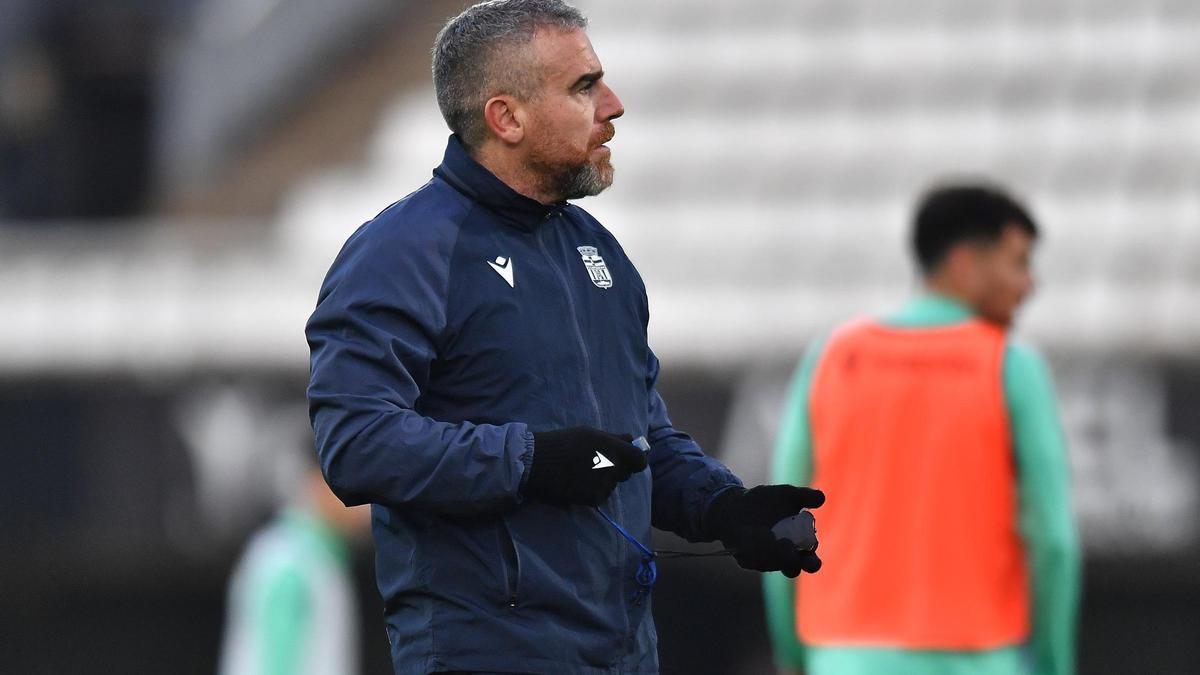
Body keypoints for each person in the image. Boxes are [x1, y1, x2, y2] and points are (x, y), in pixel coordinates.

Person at [304, 1, 823, 673]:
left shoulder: (600, 255)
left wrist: (727, 508)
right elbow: (356, 444)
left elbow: (638, 444)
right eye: (584, 87)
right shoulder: (404, 252)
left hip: (626, 653)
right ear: (506, 117)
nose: (613, 105)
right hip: (486, 653)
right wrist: (529, 459)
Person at [764, 184, 1081, 675]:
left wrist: (793, 653)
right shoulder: (1011, 365)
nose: (1029, 283)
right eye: (1018, 262)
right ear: (964, 263)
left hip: (843, 656)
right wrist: (1053, 664)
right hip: (981, 657)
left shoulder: (830, 357)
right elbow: (1053, 541)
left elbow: (782, 515)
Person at [218, 454, 371, 675]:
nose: (368, 504)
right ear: (321, 480)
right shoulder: (291, 559)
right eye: (360, 481)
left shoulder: (311, 557)